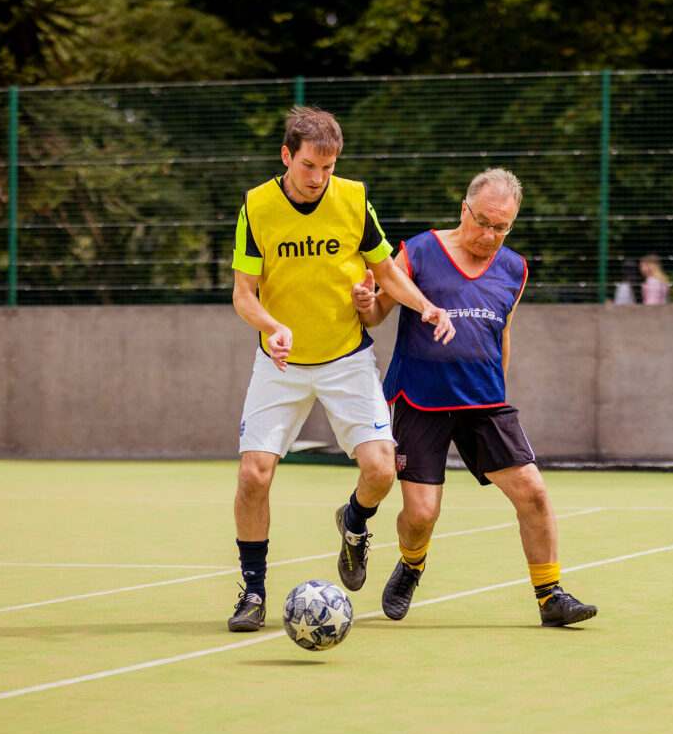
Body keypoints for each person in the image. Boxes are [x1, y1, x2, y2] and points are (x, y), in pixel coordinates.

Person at [227, 105, 455, 632]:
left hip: (346, 357)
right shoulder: (256, 207)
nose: (318, 178)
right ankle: (253, 591)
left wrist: (425, 306)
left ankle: (354, 523)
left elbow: (386, 271)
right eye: (309, 166)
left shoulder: (353, 199)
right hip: (281, 361)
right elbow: (244, 295)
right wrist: (271, 326)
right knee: (253, 474)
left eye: (328, 168)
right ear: (287, 156)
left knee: (381, 469)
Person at [352, 167, 598, 628]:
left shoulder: (514, 268)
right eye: (482, 222)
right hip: (419, 398)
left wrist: (500, 388)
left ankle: (551, 596)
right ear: (463, 209)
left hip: (484, 400)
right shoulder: (419, 250)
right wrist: (367, 302)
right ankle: (411, 564)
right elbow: (375, 315)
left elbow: (502, 333)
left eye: (501, 227)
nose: (490, 235)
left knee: (534, 493)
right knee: (422, 514)